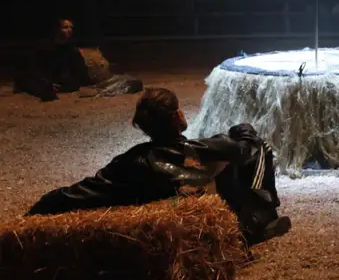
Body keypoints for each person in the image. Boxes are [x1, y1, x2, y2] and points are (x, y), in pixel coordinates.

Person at [25, 88, 291, 245]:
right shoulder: (205, 148)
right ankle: (258, 220)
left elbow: (82, 191)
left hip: (179, 217)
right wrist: (242, 129)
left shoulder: (131, 162)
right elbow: (247, 146)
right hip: (219, 217)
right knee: (261, 149)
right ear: (177, 116)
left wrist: (37, 211)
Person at [14, 18, 92, 101]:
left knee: (73, 83)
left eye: (71, 27)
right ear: (57, 30)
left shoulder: (71, 49)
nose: (69, 30)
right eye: (65, 27)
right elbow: (34, 66)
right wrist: (46, 80)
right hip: (44, 77)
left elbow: (79, 68)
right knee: (31, 81)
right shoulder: (44, 46)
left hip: (59, 79)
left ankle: (51, 89)